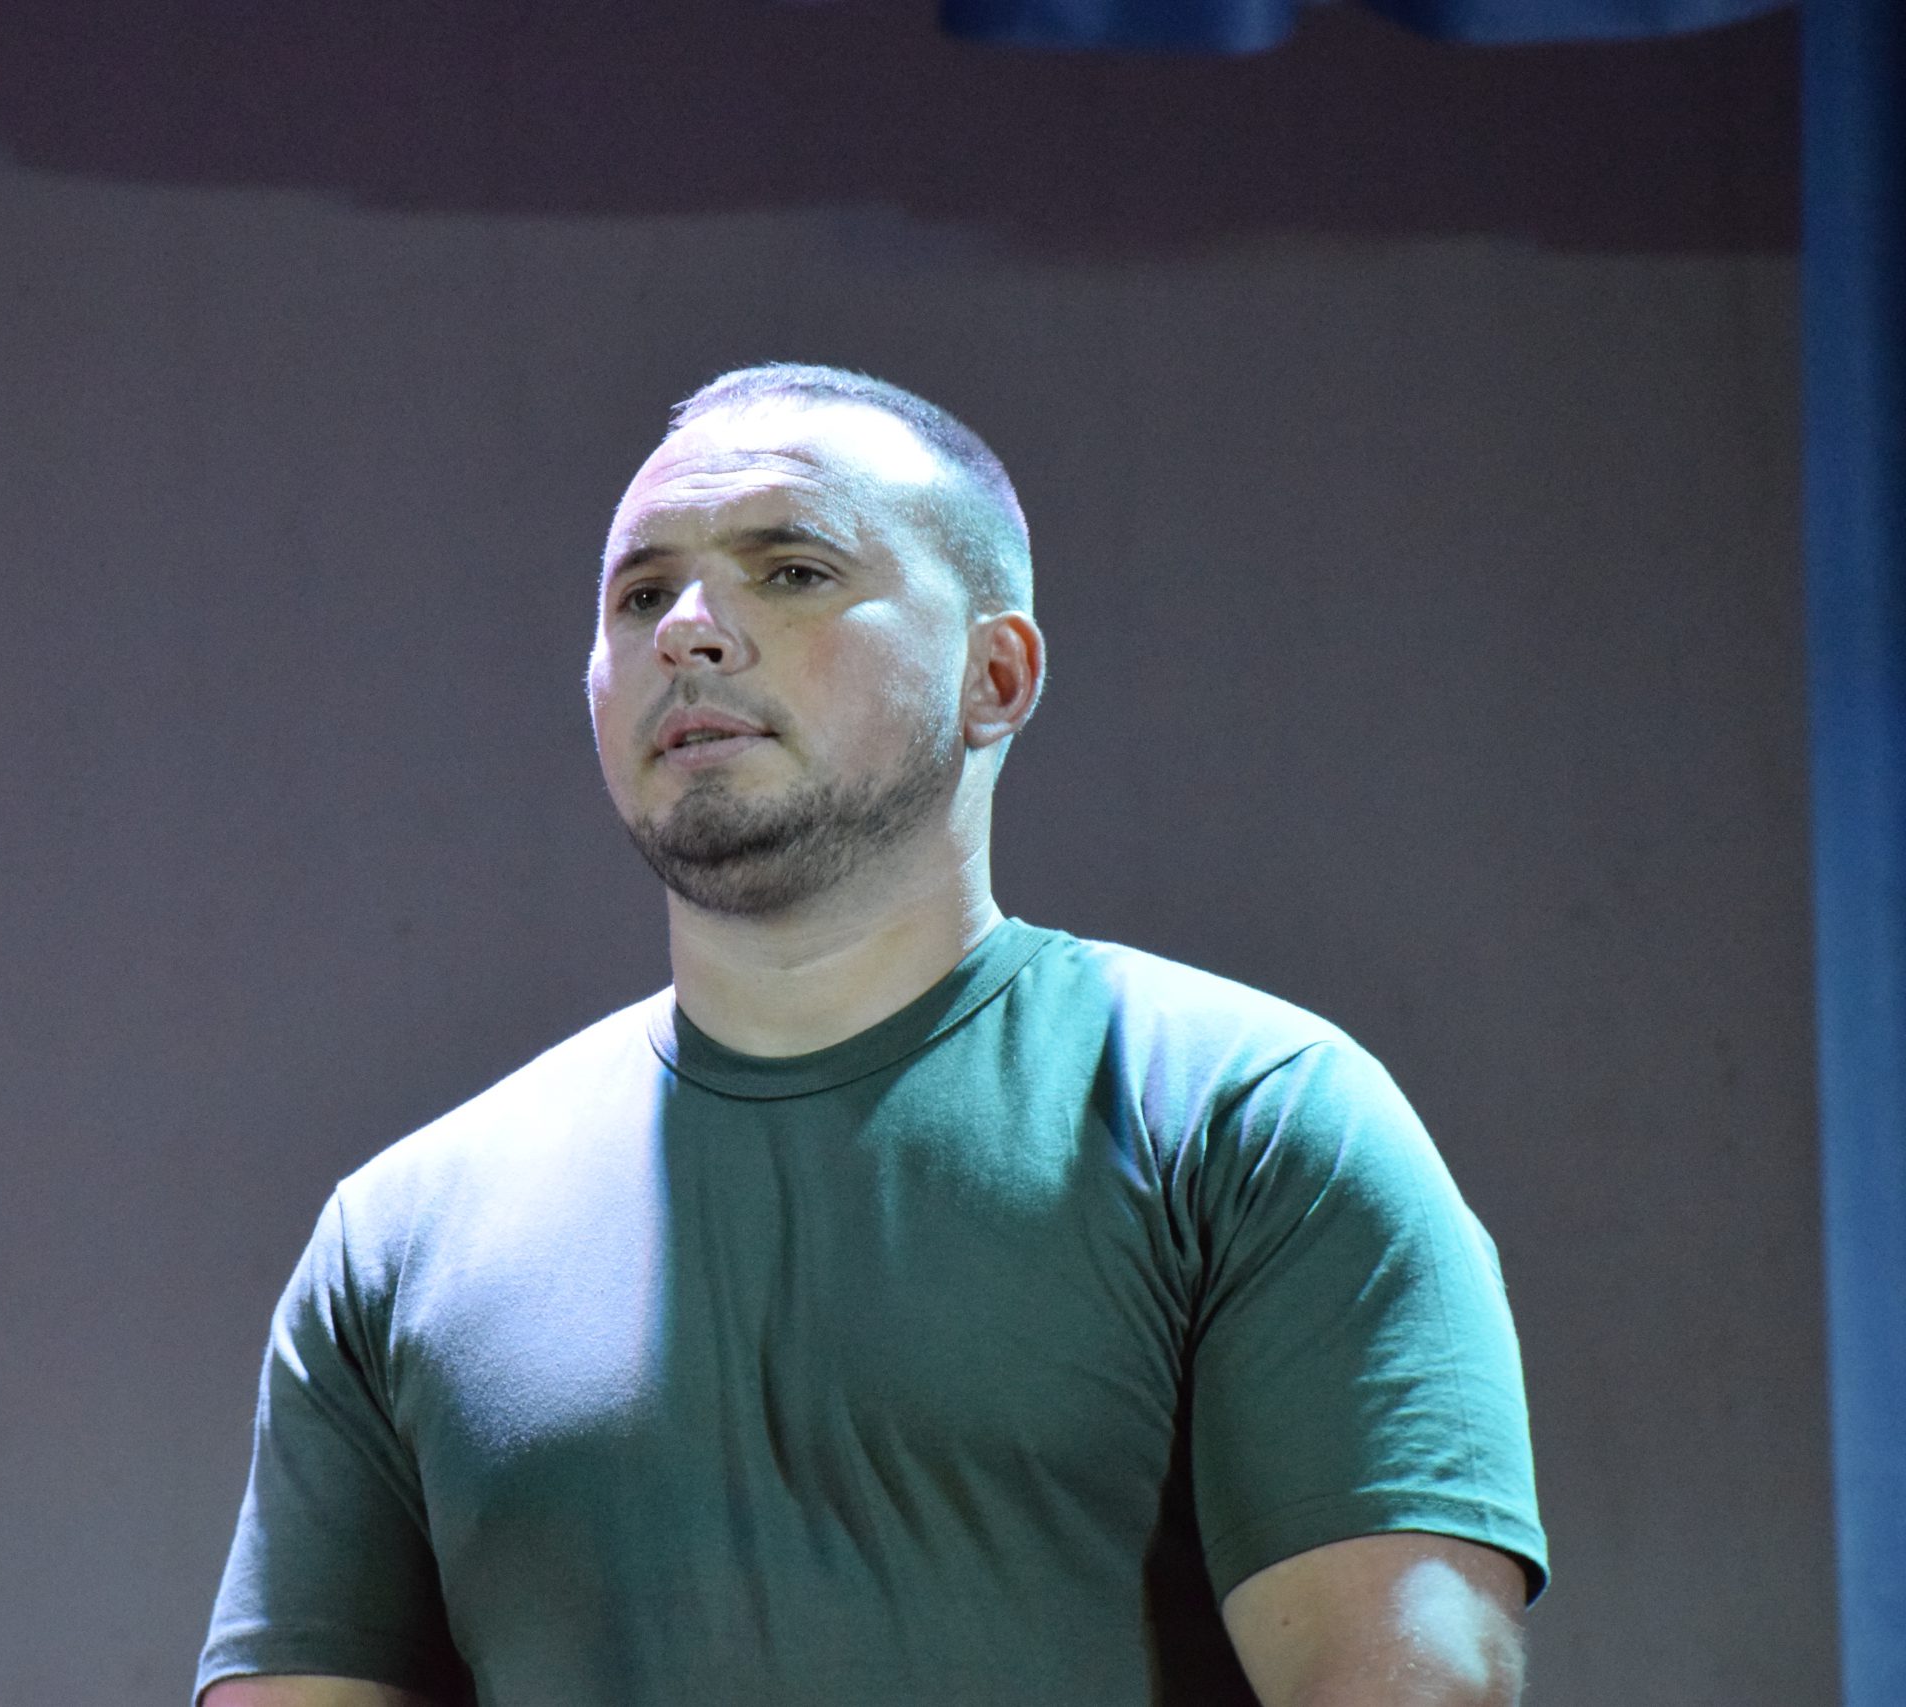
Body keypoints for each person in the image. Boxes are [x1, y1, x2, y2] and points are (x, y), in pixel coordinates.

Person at [193, 365, 1548, 1707]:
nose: (690, 631)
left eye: (791, 572)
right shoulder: (399, 1238)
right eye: (642, 594)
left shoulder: (1253, 1120)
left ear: (994, 675)